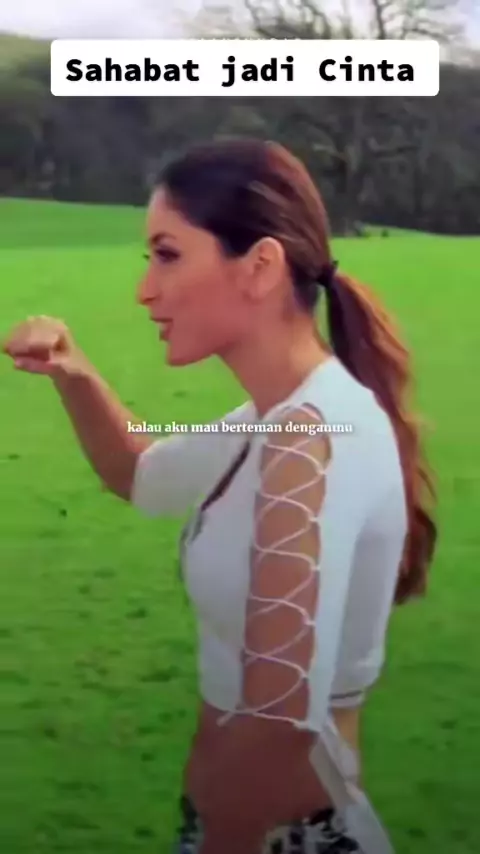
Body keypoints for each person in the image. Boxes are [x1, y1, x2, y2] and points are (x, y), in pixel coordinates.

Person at [2, 138, 437, 854]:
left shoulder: (310, 437)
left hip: (277, 837)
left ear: (260, 266)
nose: (146, 290)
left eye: (167, 255)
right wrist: (75, 374)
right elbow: (143, 475)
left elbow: (276, 728)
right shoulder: (279, 418)